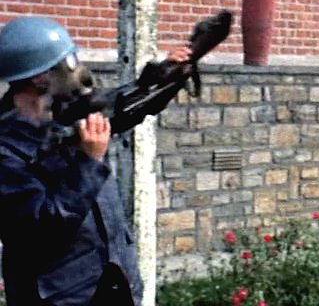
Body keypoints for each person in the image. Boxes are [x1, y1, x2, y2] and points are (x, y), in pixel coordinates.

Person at [0, 16, 190, 305]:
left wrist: (161, 79)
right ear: (40, 79)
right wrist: (88, 162)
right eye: (69, 63)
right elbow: (42, 228)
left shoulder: (62, 113)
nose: (78, 71)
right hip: (61, 296)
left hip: (111, 285)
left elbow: (121, 108)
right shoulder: (7, 151)